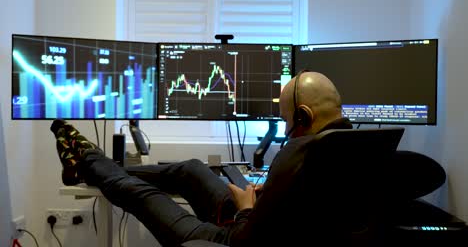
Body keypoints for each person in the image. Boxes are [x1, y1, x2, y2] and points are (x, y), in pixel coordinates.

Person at [50, 70, 444, 246]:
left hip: (233, 236)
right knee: (192, 169)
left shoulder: (299, 153)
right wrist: (265, 197)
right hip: (269, 221)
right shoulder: (357, 151)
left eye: (289, 122)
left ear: (303, 118)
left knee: (138, 194)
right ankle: (109, 169)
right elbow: (432, 174)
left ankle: (86, 158)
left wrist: (244, 208)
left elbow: (247, 238)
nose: (287, 129)